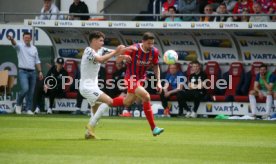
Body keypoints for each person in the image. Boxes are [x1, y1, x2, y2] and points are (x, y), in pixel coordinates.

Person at [80, 31, 135, 139]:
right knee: (109, 101)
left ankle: (89, 133)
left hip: (94, 86)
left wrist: (127, 52)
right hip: (86, 87)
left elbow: (117, 52)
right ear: (94, 40)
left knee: (95, 109)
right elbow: (101, 59)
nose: (102, 42)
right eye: (100, 40)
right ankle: (90, 126)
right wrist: (117, 52)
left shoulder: (102, 50)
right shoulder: (88, 51)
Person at [114, 32, 164, 136]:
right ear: (143, 42)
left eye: (152, 43)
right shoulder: (133, 49)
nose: (151, 46)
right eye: (149, 43)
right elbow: (117, 60)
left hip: (141, 79)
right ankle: (154, 128)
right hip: (130, 78)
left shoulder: (154, 52)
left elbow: (155, 66)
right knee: (146, 96)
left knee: (127, 102)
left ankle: (106, 102)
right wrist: (123, 57)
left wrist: (158, 81)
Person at [7, 32, 43, 115]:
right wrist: (12, 39)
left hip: (33, 72)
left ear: (31, 39)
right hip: (23, 71)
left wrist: (40, 71)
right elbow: (14, 44)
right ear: (23, 38)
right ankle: (18, 105)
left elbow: (37, 61)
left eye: (28, 38)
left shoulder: (34, 48)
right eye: (25, 38)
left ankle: (28, 109)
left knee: (31, 92)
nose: (27, 39)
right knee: (25, 89)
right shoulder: (20, 46)